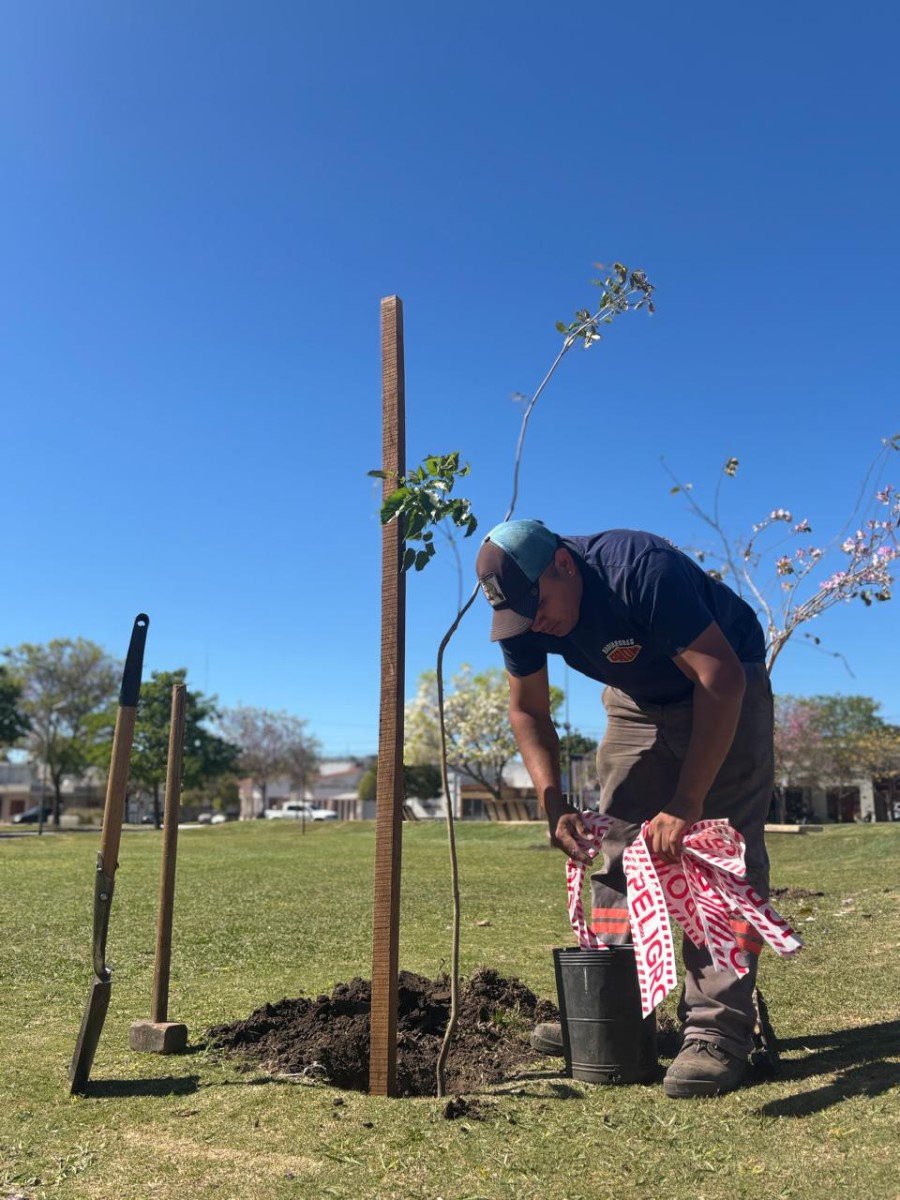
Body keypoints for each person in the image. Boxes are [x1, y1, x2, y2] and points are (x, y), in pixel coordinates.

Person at [475, 519, 774, 1099]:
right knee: (613, 846)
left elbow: (719, 674)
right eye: (520, 616)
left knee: (719, 860)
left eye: (539, 606)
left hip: (725, 684)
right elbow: (528, 710)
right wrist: (553, 802)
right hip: (638, 702)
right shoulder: (523, 612)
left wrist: (688, 802)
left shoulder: (638, 567)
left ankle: (718, 1032)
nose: (534, 623)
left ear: (564, 563)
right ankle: (609, 1010)